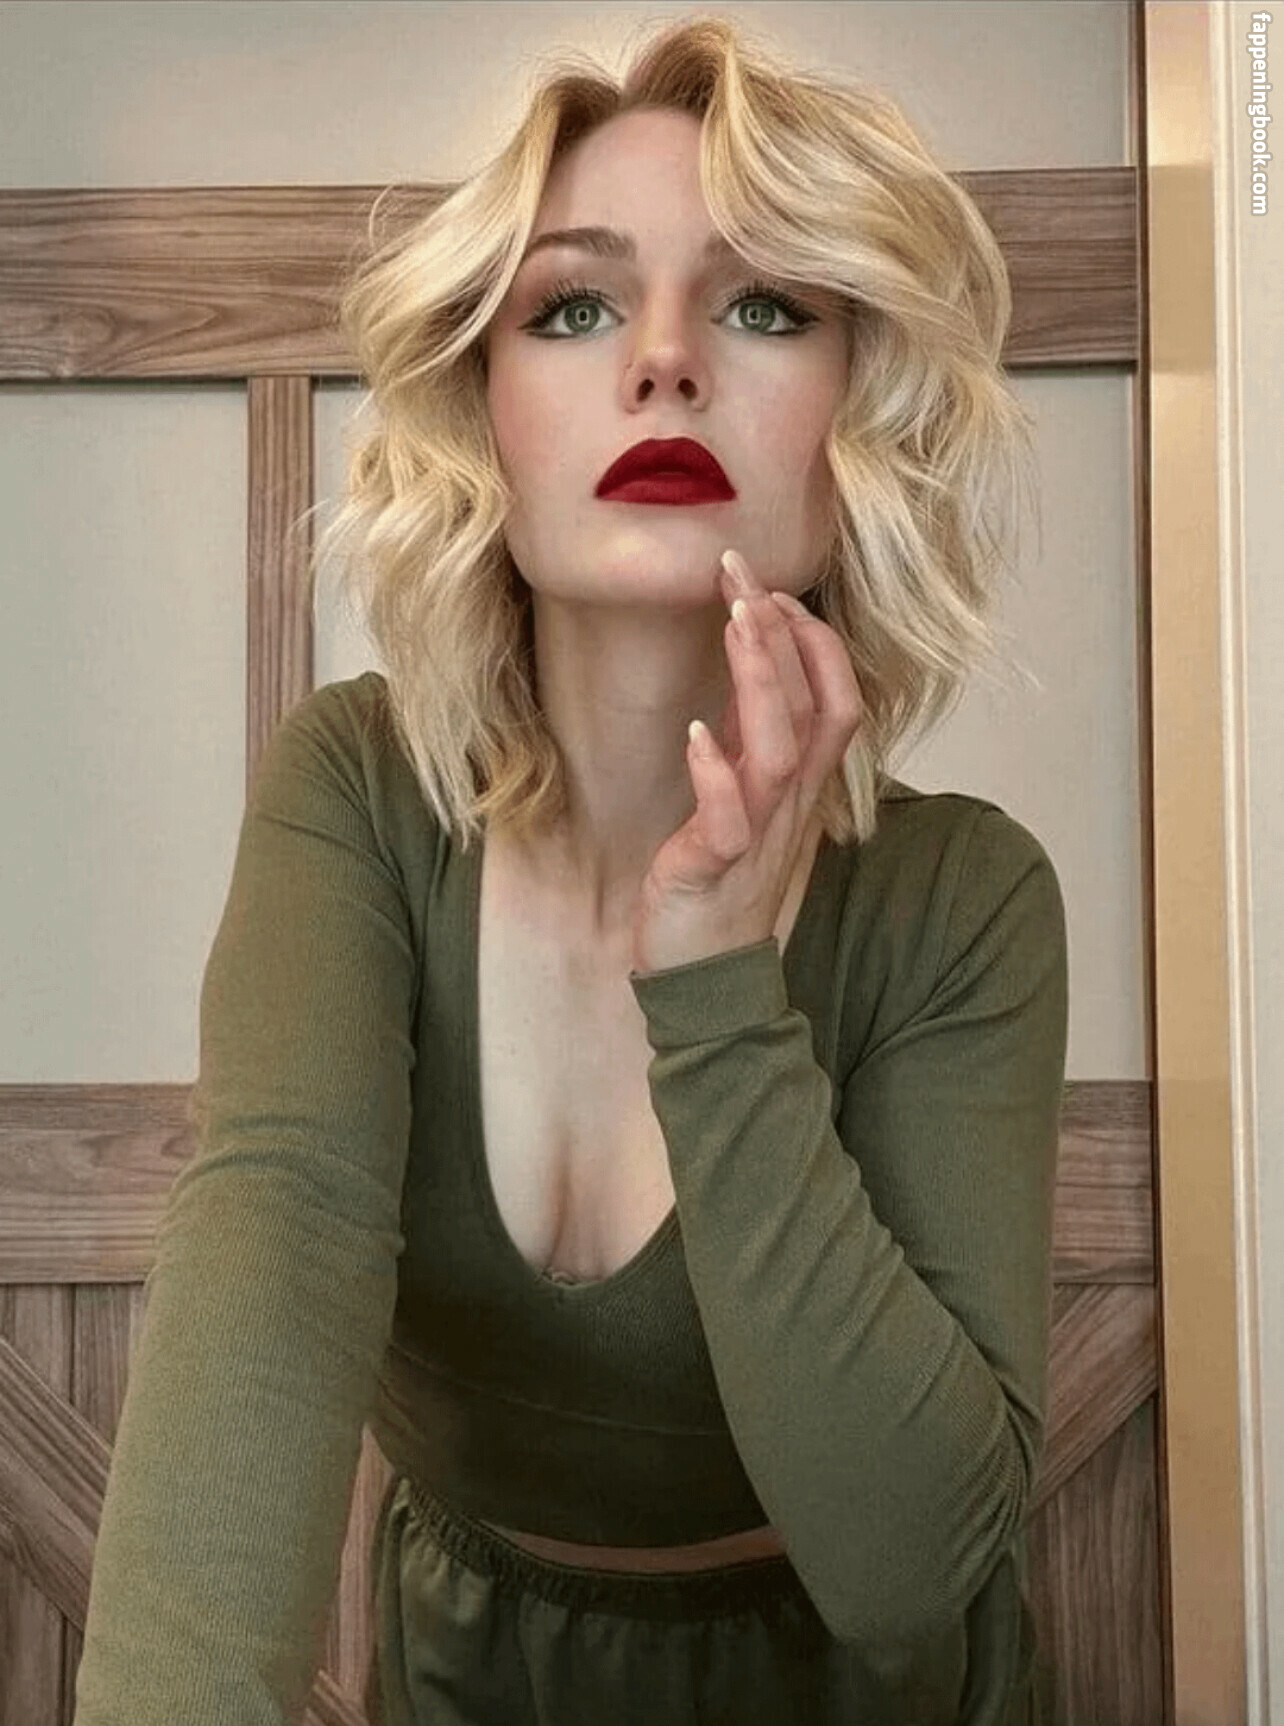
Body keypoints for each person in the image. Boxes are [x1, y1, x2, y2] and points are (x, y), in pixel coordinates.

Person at [72, 14, 1067, 1726]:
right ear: (485, 405)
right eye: (576, 306)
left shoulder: (965, 900)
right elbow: (274, 1248)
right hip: (471, 1676)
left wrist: (719, 988)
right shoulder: (358, 792)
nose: (666, 361)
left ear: (859, 415)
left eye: (766, 306)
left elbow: (914, 1567)